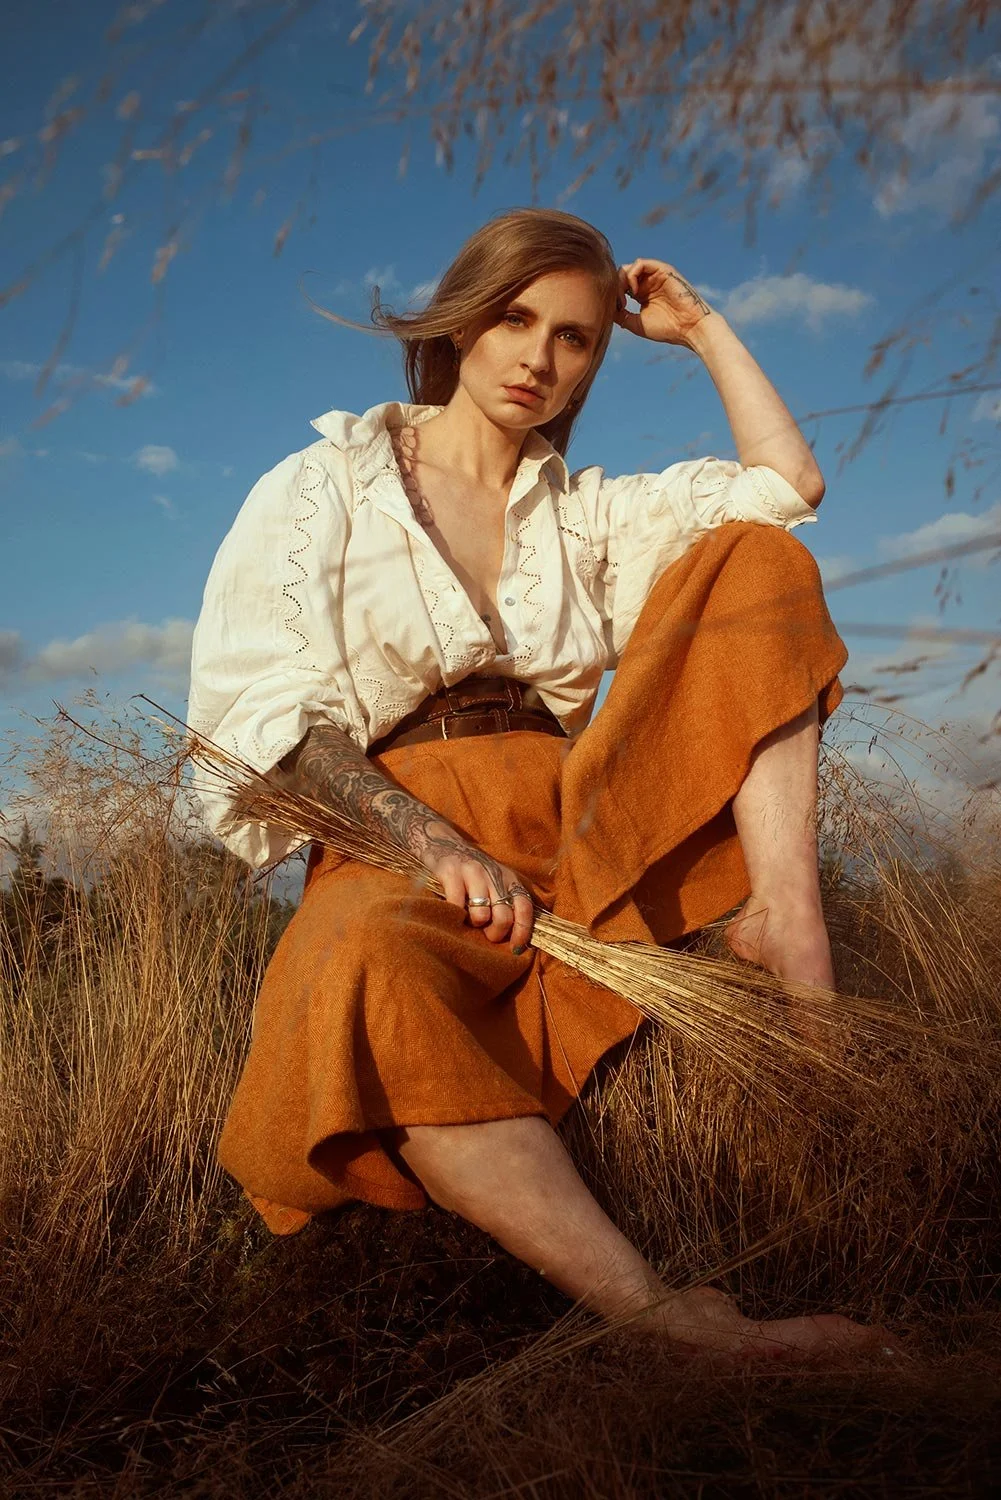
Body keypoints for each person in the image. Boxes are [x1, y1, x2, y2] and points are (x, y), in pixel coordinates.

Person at [188, 206, 897, 1361]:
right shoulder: (323, 484)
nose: (538, 359)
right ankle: (669, 1323)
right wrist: (432, 848)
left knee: (760, 562)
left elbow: (786, 485)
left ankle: (784, 916)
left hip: (567, 809)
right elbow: (263, 712)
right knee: (359, 965)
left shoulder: (582, 514)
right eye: (515, 320)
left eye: (574, 338)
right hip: (398, 827)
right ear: (461, 324)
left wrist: (703, 328)